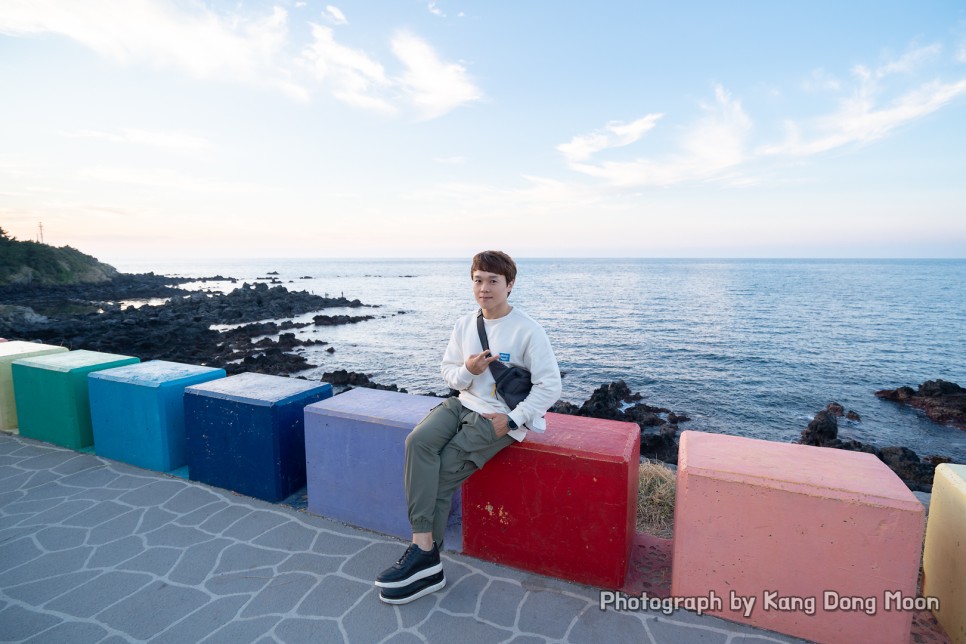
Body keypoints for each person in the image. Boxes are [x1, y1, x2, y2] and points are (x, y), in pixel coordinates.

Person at [374, 250, 562, 604]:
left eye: (493, 281)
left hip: (498, 417)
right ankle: (426, 554)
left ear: (510, 285)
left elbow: (550, 385)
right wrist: (469, 372)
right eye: (478, 279)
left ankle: (424, 556)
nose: (484, 288)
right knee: (418, 443)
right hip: (462, 403)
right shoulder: (464, 324)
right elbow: (448, 372)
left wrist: (514, 419)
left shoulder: (528, 330)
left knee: (442, 472)